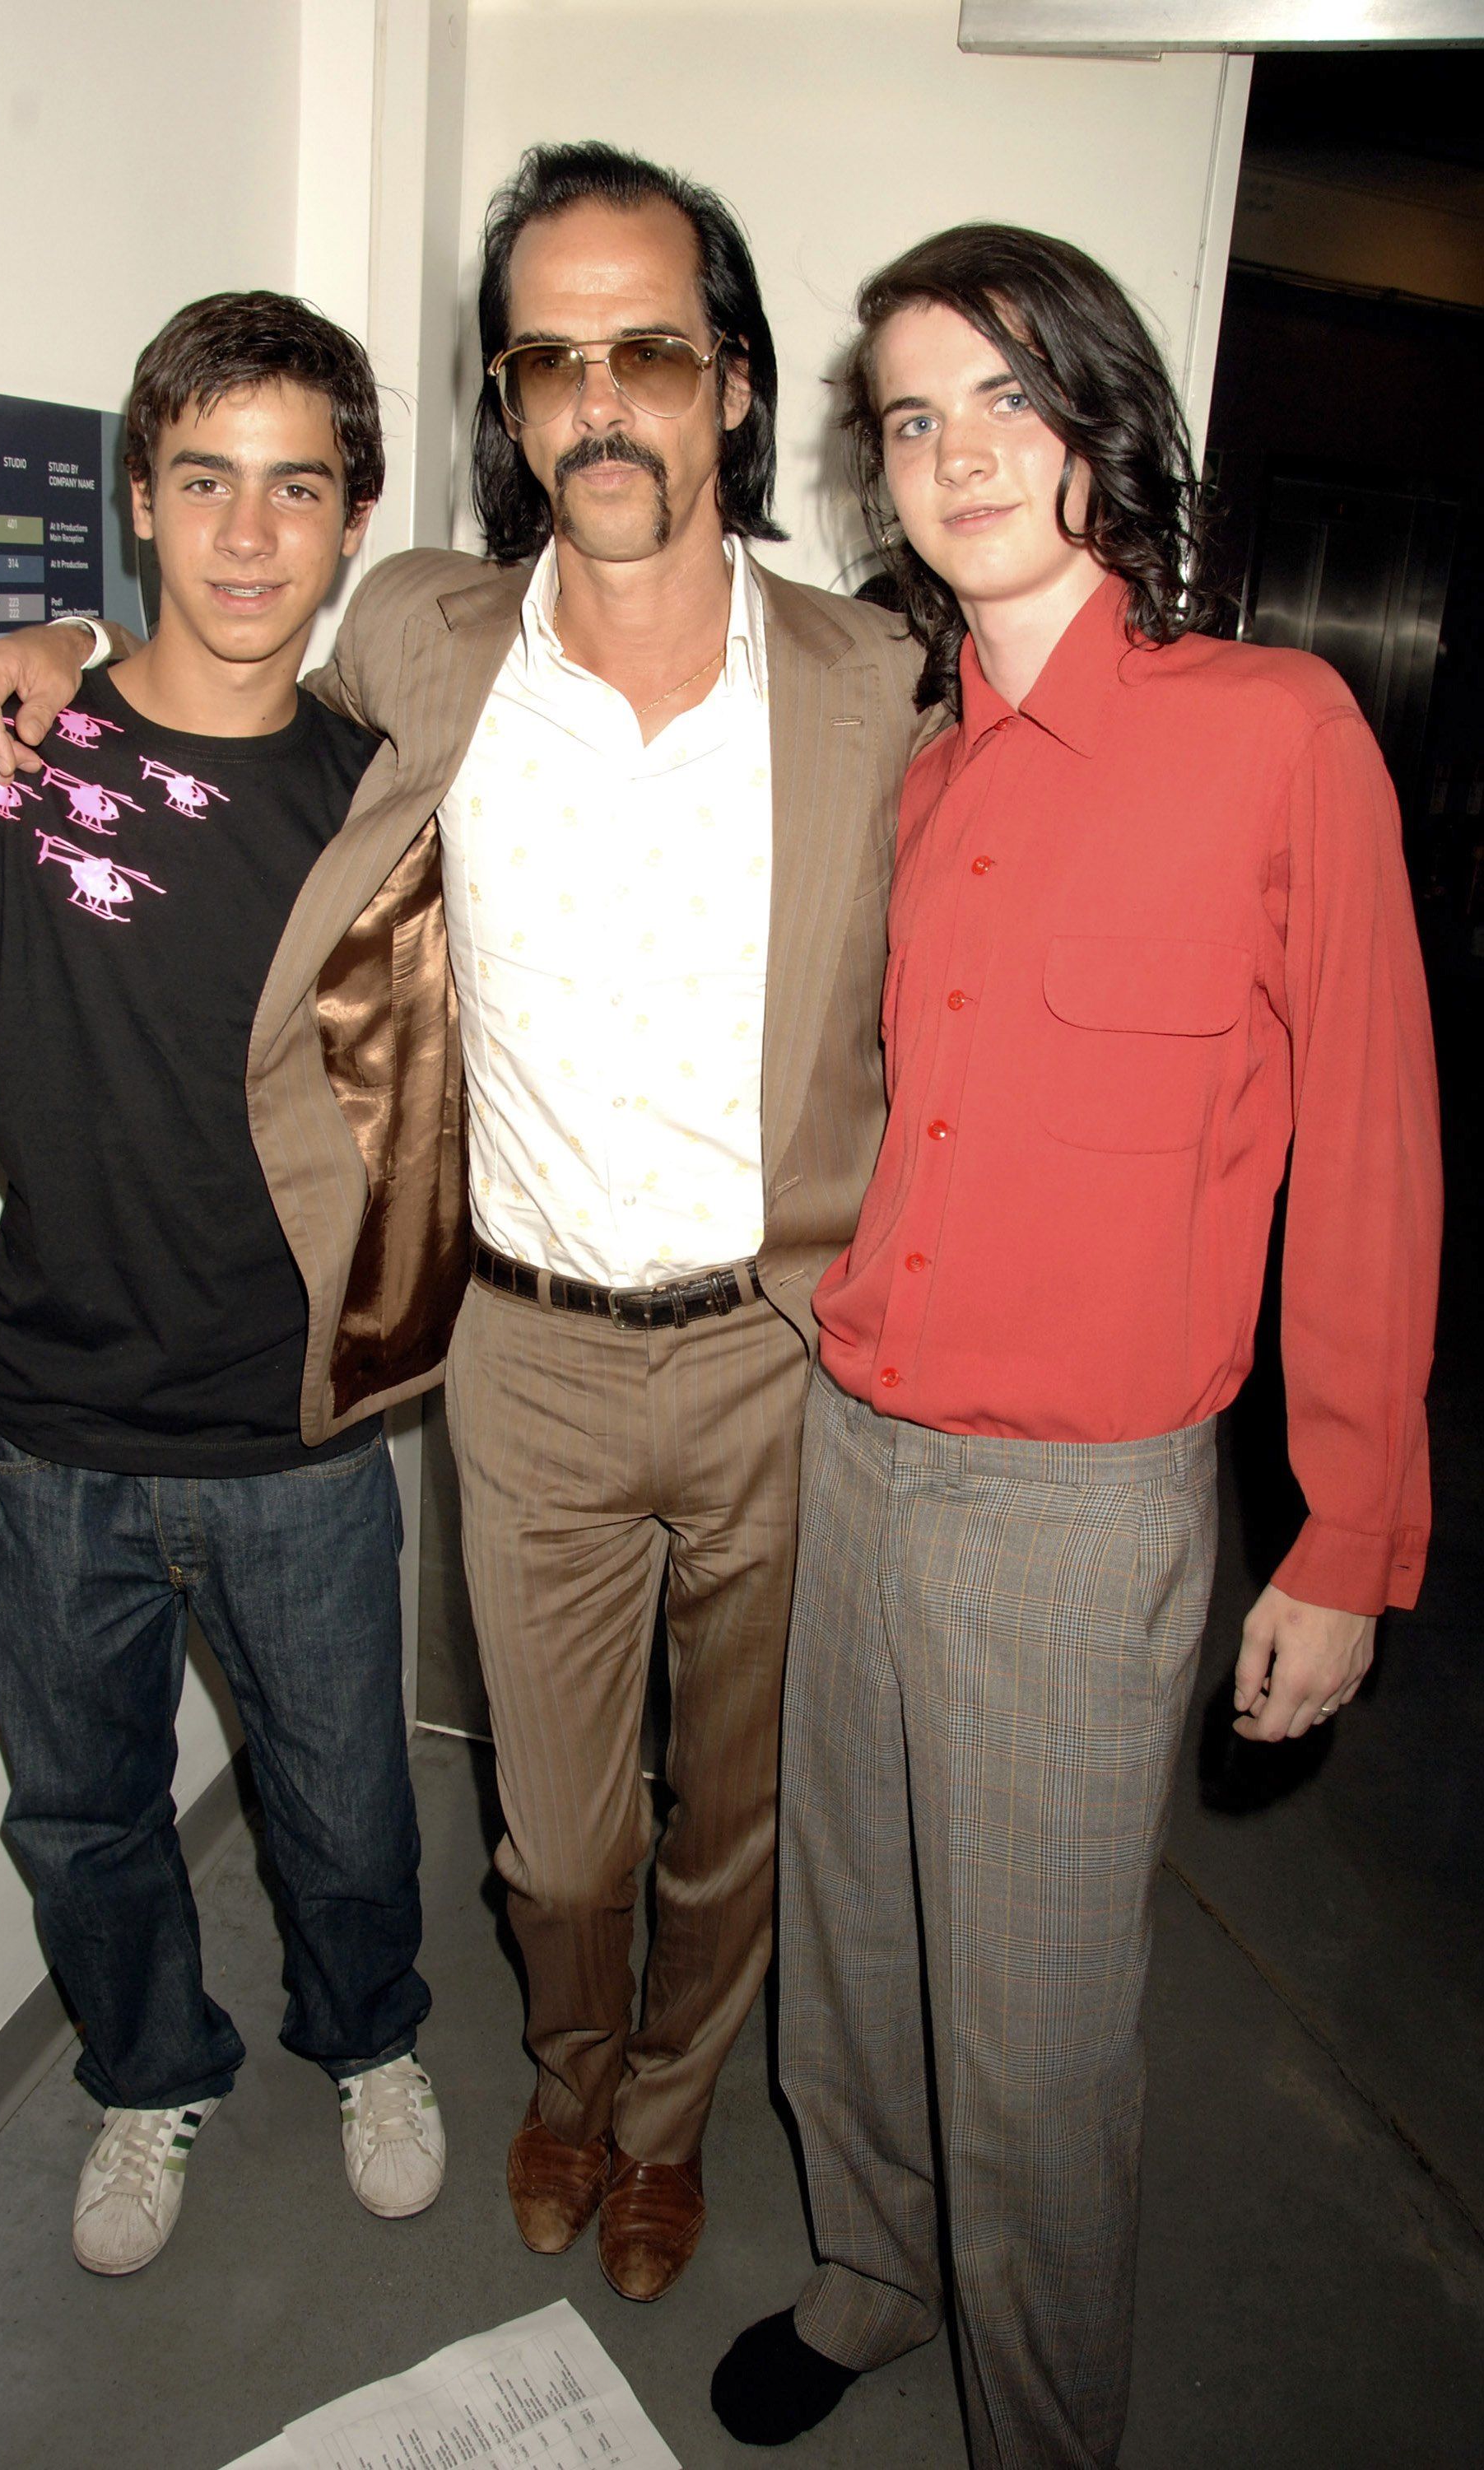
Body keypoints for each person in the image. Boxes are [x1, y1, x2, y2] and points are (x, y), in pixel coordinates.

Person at [0, 142, 925, 2301]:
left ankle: (659, 2125)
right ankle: (564, 2076)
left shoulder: (868, 683)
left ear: (731, 384)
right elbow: (229, 607)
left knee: (725, 1815)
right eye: (547, 359)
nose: (597, 403)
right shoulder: (426, 634)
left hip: (778, 1347)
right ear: (502, 398)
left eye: (644, 350)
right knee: (554, 1837)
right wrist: (54, 624)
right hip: (529, 1357)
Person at [712, 225, 1442, 2463]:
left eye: (998, 400)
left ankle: (1041, 2430)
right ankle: (869, 2269)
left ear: (1099, 423)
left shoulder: (1272, 732)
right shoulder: (920, 774)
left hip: (1074, 1500)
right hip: (856, 1440)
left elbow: (1372, 1143)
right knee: (843, 1948)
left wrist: (1343, 1533)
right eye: (910, 417)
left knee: (1031, 2045)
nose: (950, 454)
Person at [0, 292, 454, 2279]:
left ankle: (368, 2038)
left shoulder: (382, 808)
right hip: (51, 1438)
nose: (248, 532)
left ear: (351, 519)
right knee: (84, 1816)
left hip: (297, 1439)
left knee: (348, 1815)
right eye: (204, 479)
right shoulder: (8, 764)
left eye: (297, 487)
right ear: (138, 498)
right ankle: (144, 2074)